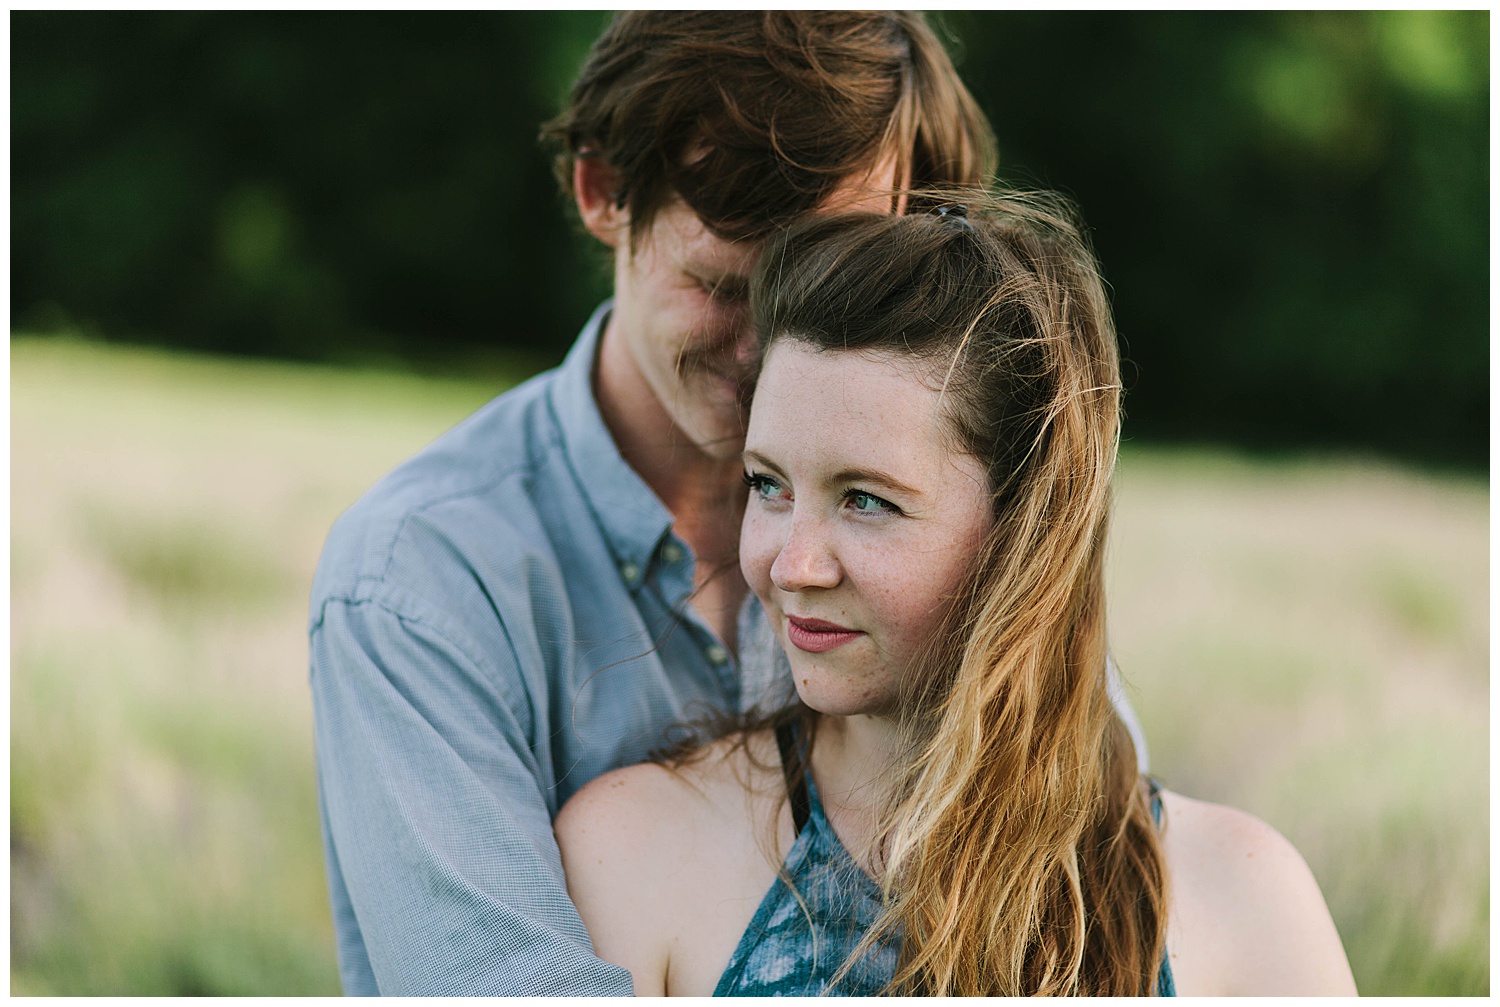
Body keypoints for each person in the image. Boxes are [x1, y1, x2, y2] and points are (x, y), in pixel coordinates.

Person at [308, 12, 1009, 996]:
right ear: (601, 191)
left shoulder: (970, 520)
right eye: (724, 285)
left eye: (833, 282)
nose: (774, 344)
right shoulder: (420, 577)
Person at [555, 191, 1359, 996]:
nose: (791, 563)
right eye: (768, 484)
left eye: (866, 499)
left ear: (1029, 529)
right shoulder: (640, 853)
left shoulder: (1244, 902)